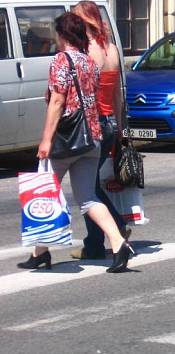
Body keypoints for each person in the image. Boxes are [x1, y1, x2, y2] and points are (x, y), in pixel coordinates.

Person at [17, 12, 133, 273]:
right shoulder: (89, 62)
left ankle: (41, 252)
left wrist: (46, 140)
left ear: (63, 34)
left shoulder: (61, 61)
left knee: (45, 194)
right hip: (91, 139)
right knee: (88, 198)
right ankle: (117, 243)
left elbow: (58, 103)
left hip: (65, 141)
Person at [69, 0, 129, 260]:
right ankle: (99, 239)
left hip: (92, 123)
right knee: (91, 185)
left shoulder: (87, 52)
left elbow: (86, 94)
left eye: (76, 19)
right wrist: (119, 128)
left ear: (85, 21)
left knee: (87, 190)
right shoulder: (112, 49)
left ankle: (103, 239)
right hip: (109, 123)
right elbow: (117, 96)